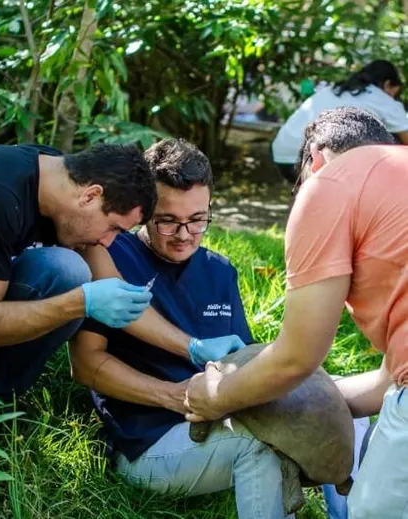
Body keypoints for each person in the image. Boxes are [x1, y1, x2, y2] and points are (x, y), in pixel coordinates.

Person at [70, 138, 356, 519]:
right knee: (258, 445)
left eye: (198, 219)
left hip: (221, 421)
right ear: (143, 211)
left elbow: (244, 366)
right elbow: (85, 365)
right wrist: (171, 396)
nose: (185, 234)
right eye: (168, 221)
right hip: (148, 443)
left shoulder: (220, 271)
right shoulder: (110, 252)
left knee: (342, 407)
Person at [185, 107, 407, 519]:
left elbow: (297, 357)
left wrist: (216, 397)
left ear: (314, 159)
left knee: (373, 511)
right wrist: (303, 397)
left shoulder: (329, 183)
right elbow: (388, 383)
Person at [0, 143, 157, 448]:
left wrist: (192, 346)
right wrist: (79, 303)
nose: (107, 242)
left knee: (69, 271)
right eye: (113, 228)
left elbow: (109, 281)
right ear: (91, 195)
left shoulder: (57, 175)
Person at [271, 60, 408, 183]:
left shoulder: (334, 90)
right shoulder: (382, 99)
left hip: (282, 156)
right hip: (311, 162)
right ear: (388, 84)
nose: (393, 98)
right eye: (394, 93)